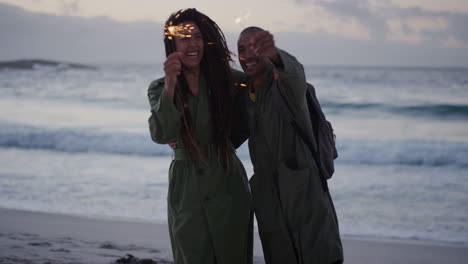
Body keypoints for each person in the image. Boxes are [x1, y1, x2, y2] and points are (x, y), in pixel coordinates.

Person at [147, 9, 252, 264]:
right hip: (187, 189)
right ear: (172, 43)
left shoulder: (229, 81)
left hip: (228, 183)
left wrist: (222, 145)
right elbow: (161, 134)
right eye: (184, 38)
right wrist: (172, 83)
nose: (192, 44)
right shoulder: (160, 87)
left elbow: (252, 113)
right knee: (191, 253)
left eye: (197, 36)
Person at [236, 27, 344, 264]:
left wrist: (275, 54)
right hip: (268, 197)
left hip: (303, 192)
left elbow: (294, 72)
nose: (248, 55)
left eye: (255, 47)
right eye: (242, 49)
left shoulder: (286, 87)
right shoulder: (247, 96)